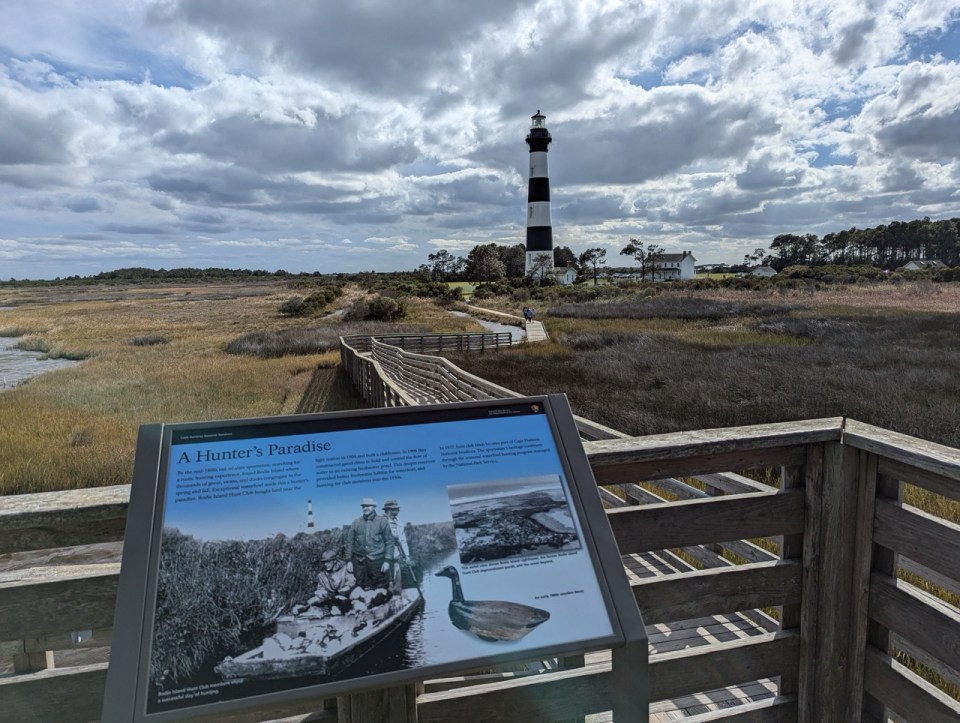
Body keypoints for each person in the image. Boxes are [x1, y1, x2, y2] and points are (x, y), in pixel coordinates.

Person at [345, 497, 396, 591]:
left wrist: (387, 561)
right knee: (359, 587)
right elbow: (349, 542)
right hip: (359, 562)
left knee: (380, 587)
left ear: (374, 507)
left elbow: (389, 542)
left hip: (377, 562)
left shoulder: (382, 521)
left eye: (368, 506)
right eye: (364, 506)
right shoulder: (356, 522)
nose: (365, 508)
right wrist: (348, 560)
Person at [314, 548, 355, 615]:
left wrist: (346, 587)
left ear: (334, 561)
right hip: (330, 599)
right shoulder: (321, 574)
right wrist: (321, 592)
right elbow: (320, 587)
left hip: (346, 596)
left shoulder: (344, 568)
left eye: (328, 562)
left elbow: (352, 580)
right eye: (324, 562)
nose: (326, 564)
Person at [382, 499, 409, 594]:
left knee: (397, 575)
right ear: (389, 510)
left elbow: (403, 540)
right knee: (387, 579)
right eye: (395, 509)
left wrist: (407, 556)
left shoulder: (399, 522)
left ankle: (397, 595)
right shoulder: (382, 522)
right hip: (384, 556)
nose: (398, 511)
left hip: (396, 555)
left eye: (397, 509)